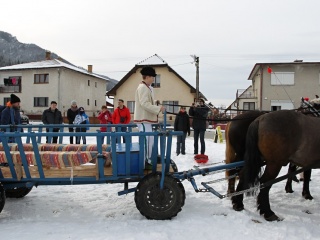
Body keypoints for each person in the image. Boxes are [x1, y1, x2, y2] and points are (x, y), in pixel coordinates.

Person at [134, 66, 165, 168]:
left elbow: (147, 102)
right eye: (152, 77)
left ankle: (147, 160)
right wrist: (158, 108)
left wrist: (156, 103)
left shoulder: (147, 88)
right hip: (143, 119)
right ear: (147, 77)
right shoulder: (143, 88)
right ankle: (145, 162)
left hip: (146, 119)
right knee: (146, 141)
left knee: (150, 139)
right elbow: (144, 103)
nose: (153, 79)